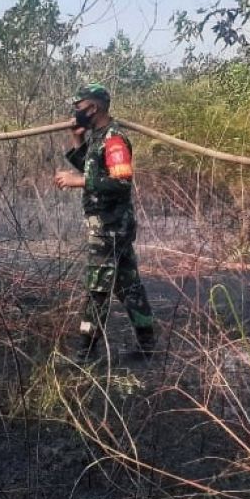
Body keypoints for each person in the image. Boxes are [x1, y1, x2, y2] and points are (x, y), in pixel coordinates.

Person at [54, 84, 156, 362]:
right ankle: (148, 346)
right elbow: (93, 168)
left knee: (98, 288)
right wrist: (77, 142)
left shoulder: (114, 139)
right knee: (129, 285)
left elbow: (120, 182)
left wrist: (78, 182)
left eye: (79, 106)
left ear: (94, 108)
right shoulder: (98, 136)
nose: (76, 112)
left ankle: (85, 353)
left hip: (111, 228)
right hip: (109, 226)